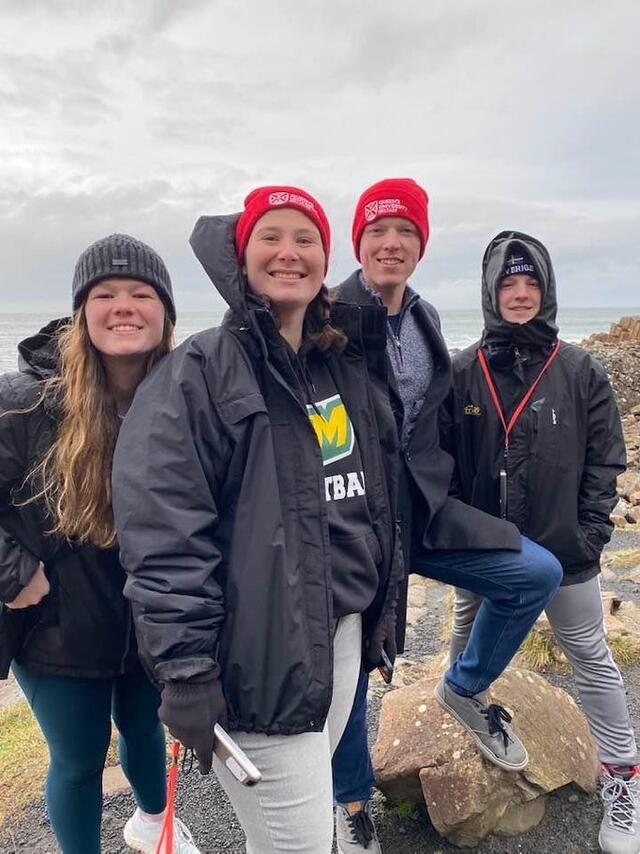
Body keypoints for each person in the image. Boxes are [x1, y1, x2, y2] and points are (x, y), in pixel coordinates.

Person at [111, 186, 404, 854]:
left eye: (306, 239)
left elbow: (371, 499)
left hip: (342, 633)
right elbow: (164, 534)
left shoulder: (339, 364)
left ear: (326, 260)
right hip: (258, 657)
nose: (289, 252)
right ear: (240, 257)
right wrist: (185, 670)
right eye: (270, 236)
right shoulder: (200, 371)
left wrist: (382, 607)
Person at [330, 181, 563, 853]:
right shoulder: (329, 316)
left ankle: (464, 687)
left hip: (424, 511)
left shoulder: (426, 318)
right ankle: (350, 800)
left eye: (405, 231)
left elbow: (437, 419)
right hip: (354, 523)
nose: (391, 243)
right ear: (359, 242)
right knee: (351, 655)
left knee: (533, 573)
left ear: (421, 245)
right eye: (377, 232)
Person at [0, 234, 200, 854]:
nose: (123, 306)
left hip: (150, 617)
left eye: (141, 293)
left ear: (165, 312)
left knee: (144, 729)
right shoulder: (24, 401)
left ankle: (152, 822)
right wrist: (12, 573)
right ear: (81, 312)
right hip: (54, 620)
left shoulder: (186, 397)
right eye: (104, 294)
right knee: (80, 758)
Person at [442, 230, 637, 854]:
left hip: (567, 555)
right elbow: (438, 463)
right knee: (462, 649)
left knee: (592, 658)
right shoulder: (463, 372)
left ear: (547, 293)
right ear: (490, 293)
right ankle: (467, 743)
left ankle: (623, 778)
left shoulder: (580, 370)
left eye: (531, 285)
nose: (520, 295)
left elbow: (607, 460)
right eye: (508, 284)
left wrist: (587, 533)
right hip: (486, 552)